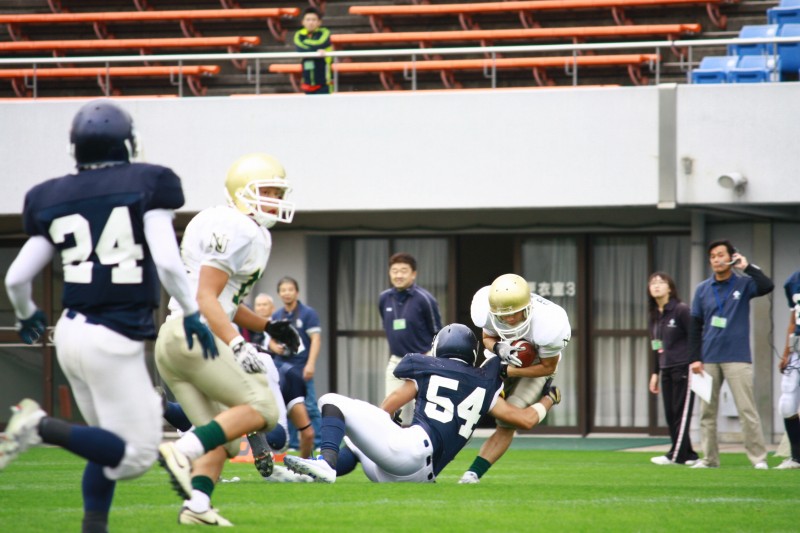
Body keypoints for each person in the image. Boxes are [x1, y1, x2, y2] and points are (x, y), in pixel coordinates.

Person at [0, 99, 217, 533]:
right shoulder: (149, 182)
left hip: (70, 332)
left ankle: (93, 526)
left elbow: (17, 278)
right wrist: (192, 312)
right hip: (113, 336)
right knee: (135, 456)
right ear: (128, 143)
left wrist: (26, 314)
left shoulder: (50, 195)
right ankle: (39, 426)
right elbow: (168, 262)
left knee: (103, 447)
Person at [154, 152, 302, 526]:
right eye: (267, 192)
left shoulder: (230, 224)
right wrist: (237, 343)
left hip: (173, 339)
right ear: (241, 192)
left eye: (277, 193)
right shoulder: (239, 228)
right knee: (264, 409)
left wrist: (267, 326)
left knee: (224, 439)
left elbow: (224, 301)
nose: (275, 201)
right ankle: (181, 451)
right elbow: (206, 297)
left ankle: (198, 505)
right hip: (196, 336)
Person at [284, 323, 561, 483]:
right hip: (423, 475)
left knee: (331, 401)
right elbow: (525, 420)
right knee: (357, 444)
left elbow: (389, 404)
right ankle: (307, 476)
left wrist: (385, 422)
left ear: (439, 346)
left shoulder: (427, 367)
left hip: (409, 451)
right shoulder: (484, 383)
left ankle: (326, 464)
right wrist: (549, 399)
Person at [459, 273, 571, 484]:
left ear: (527, 307)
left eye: (514, 313)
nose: (509, 319)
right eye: (503, 315)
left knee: (508, 422)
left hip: (535, 367)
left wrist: (508, 371)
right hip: (500, 359)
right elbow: (487, 337)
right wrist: (498, 347)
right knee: (469, 402)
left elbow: (548, 366)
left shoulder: (548, 323)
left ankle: (473, 474)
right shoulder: (487, 309)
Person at [688, 240, 773, 469]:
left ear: (731, 257)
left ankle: (758, 459)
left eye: (720, 255)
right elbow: (695, 325)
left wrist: (746, 267)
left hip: (737, 356)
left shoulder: (744, 284)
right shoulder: (702, 289)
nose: (716, 260)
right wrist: (694, 358)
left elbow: (767, 286)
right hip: (708, 358)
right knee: (707, 412)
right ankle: (709, 459)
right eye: (712, 256)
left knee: (747, 410)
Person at [378, 252, 443, 426]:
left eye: (404, 271)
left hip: (423, 360)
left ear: (413, 274)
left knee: (422, 414)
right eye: (394, 271)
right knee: (389, 411)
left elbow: (438, 332)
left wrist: (433, 361)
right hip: (396, 361)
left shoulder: (425, 299)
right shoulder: (384, 298)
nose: (398, 275)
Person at [646, 272, 699, 466]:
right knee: (671, 413)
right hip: (666, 368)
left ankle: (676, 455)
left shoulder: (681, 309)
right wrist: (655, 373)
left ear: (670, 288)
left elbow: (695, 335)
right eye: (653, 283)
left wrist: (695, 360)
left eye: (661, 282)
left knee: (680, 413)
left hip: (683, 367)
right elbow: (656, 345)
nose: (656, 286)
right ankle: (689, 454)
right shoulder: (654, 316)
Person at [272, 276, 323, 450]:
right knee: (287, 406)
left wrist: (311, 364)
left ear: (297, 292)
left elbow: (316, 339)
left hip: (302, 367)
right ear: (279, 293)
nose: (287, 293)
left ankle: (318, 443)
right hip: (283, 368)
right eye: (283, 290)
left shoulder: (308, 313)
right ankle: (292, 444)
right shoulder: (277, 315)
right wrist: (274, 347)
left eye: (290, 289)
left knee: (310, 406)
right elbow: (271, 340)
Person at [775, 269, 800, 469]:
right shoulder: (793, 281)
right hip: (797, 348)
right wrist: (786, 352)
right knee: (786, 403)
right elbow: (793, 320)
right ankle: (797, 457)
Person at [294, 6, 332, 95]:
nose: (311, 22)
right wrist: (315, 49)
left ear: (319, 22)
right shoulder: (299, 34)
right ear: (303, 22)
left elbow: (321, 43)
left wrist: (306, 43)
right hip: (307, 83)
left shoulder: (325, 32)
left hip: (324, 82)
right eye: (308, 20)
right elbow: (299, 49)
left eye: (314, 20)